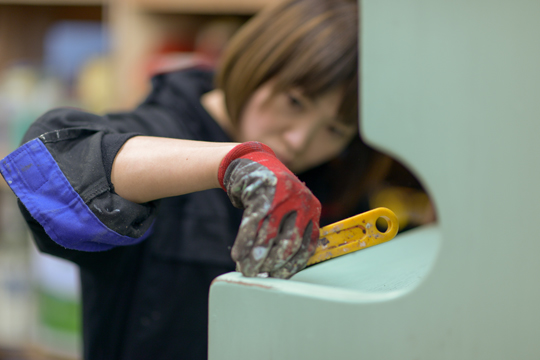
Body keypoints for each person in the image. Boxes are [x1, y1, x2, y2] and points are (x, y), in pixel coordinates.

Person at [0, 0, 396, 358]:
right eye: (294, 101)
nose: (299, 138)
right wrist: (235, 162)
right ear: (257, 61)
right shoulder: (160, 127)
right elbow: (46, 170)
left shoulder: (332, 183)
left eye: (335, 129)